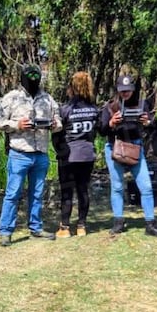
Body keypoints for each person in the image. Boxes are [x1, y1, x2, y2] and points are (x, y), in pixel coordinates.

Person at [0, 65, 62, 247]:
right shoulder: (10, 98)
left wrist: (54, 124)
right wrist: (18, 125)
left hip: (40, 153)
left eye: (36, 76)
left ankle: (36, 228)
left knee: (38, 193)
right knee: (12, 193)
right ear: (23, 77)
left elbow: (59, 122)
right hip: (19, 153)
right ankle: (6, 232)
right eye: (29, 76)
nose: (33, 79)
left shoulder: (47, 99)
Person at [98, 74, 157, 238]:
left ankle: (150, 224)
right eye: (122, 90)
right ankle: (118, 222)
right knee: (117, 186)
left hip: (135, 147)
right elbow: (101, 131)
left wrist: (148, 123)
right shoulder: (110, 106)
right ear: (117, 90)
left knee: (147, 187)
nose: (125, 93)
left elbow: (155, 128)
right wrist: (111, 123)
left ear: (133, 89)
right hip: (115, 148)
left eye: (128, 90)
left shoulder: (142, 104)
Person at [52, 71, 99, 238]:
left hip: (69, 156)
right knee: (83, 190)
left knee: (67, 192)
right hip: (87, 155)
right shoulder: (94, 109)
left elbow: (56, 135)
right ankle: (81, 226)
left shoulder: (65, 110)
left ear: (71, 87)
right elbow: (96, 132)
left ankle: (64, 227)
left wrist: (60, 152)